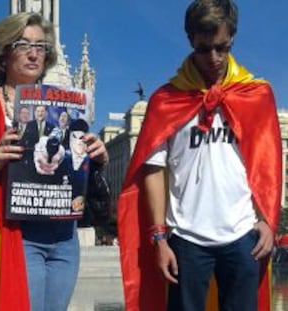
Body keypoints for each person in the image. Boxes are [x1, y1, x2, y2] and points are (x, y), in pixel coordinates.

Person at [0, 12, 108, 311]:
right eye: (23, 44)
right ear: (3, 55)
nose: (33, 52)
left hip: (65, 236)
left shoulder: (64, 105)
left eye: (41, 46)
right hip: (16, 234)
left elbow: (73, 166)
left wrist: (96, 156)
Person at [117, 1, 282, 311]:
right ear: (190, 39)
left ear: (232, 38)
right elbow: (152, 170)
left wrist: (267, 221)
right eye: (204, 48)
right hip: (185, 239)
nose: (214, 58)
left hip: (243, 235)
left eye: (222, 47)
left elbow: (269, 163)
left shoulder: (256, 95)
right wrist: (159, 238)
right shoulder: (166, 100)